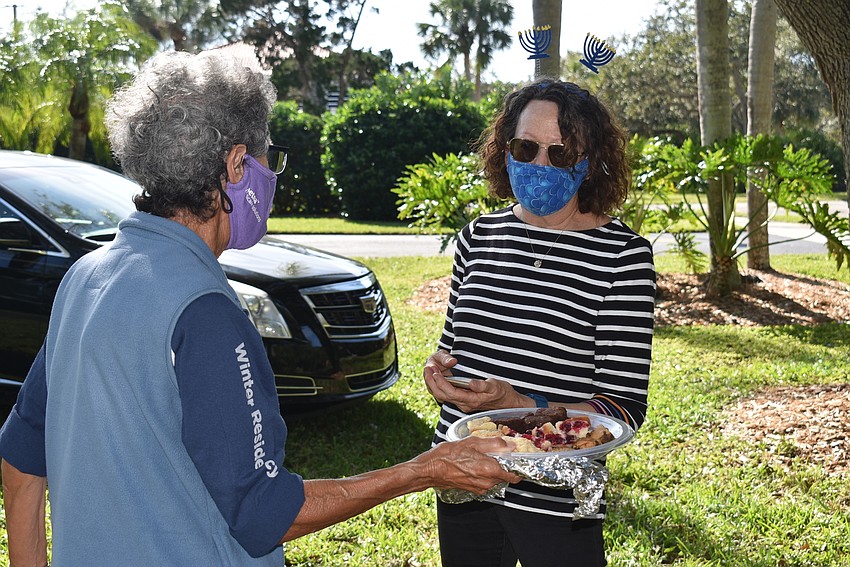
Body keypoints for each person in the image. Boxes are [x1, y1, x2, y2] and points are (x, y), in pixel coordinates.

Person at [0, 47, 520, 567]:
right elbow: (264, 512)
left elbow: (21, 456)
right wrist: (423, 470)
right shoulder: (204, 309)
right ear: (235, 164)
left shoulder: (85, 277)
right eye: (269, 159)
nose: (272, 177)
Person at [422, 79, 656, 567]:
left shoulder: (623, 257)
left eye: (562, 153)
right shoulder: (479, 236)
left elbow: (623, 406)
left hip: (556, 498)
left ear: (591, 162)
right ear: (504, 149)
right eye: (526, 148)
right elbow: (455, 348)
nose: (540, 164)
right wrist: (441, 374)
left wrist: (523, 407)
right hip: (466, 475)